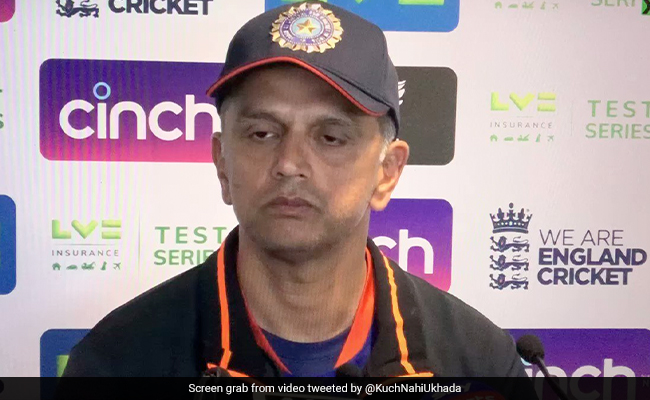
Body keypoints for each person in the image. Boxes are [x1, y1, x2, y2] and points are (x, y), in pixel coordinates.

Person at [62, 2, 535, 392]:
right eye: (263, 133)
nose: (290, 162)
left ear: (387, 172)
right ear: (222, 163)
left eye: (331, 137)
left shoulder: (479, 365)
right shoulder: (117, 363)